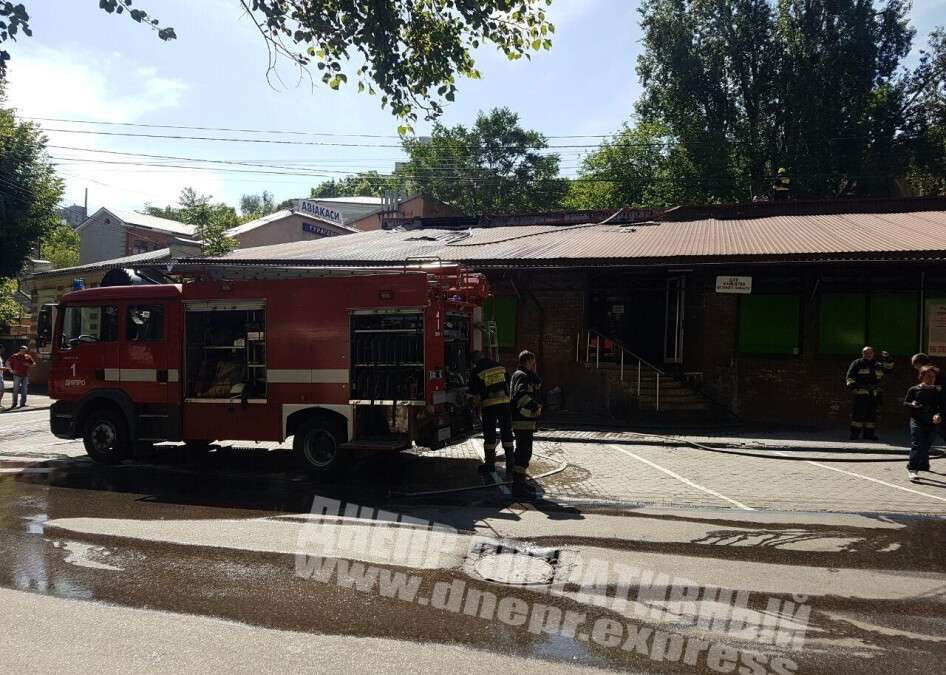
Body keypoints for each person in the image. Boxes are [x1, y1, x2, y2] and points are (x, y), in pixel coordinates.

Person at [469, 350, 513, 475]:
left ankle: (490, 465)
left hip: (489, 406)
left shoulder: (476, 371)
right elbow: (507, 384)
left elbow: (473, 393)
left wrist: (472, 407)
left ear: (474, 361)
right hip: (505, 404)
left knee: (489, 434)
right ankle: (510, 465)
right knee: (507, 432)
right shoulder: (500, 367)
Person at [510, 350, 543, 499]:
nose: (534, 365)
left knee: (524, 453)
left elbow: (537, 385)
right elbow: (521, 396)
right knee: (523, 454)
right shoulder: (521, 376)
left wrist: (533, 372)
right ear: (528, 361)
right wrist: (534, 407)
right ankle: (518, 489)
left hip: (524, 422)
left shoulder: (523, 375)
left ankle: (521, 484)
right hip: (522, 420)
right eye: (533, 362)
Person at [845, 346, 894, 440]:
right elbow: (850, 377)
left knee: (872, 415)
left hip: (874, 393)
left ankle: (869, 435)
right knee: (858, 414)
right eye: (866, 353)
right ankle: (855, 434)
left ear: (873, 354)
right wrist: (854, 388)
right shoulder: (857, 363)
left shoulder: (877, 364)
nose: (868, 355)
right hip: (861, 393)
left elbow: (889, 369)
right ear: (862, 354)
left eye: (870, 353)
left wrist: (887, 358)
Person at [903, 365, 942, 481]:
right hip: (917, 420)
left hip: (932, 421)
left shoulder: (937, 390)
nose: (931, 379)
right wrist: (912, 404)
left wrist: (938, 414)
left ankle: (923, 464)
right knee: (917, 443)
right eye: (929, 376)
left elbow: (940, 406)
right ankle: (912, 469)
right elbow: (906, 402)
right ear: (922, 376)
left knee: (927, 444)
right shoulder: (914, 389)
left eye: (933, 376)